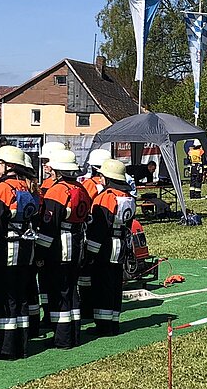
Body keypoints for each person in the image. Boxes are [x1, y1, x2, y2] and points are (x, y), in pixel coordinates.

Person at [0, 145, 40, 359]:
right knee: (21, 297)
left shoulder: (1, 189)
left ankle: (7, 348)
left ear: (9, 166)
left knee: (4, 298)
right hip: (26, 248)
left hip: (6, 249)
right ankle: (22, 345)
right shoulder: (29, 187)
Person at [36, 149, 90, 349]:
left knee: (59, 291)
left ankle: (62, 338)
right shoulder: (81, 188)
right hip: (77, 242)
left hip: (61, 245)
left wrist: (40, 253)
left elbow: (49, 226)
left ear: (58, 170)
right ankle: (74, 334)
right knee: (72, 289)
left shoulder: (57, 191)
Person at [85, 158, 136, 336]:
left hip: (106, 247)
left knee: (102, 286)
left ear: (108, 178)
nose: (100, 179)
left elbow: (98, 228)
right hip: (121, 245)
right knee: (115, 285)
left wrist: (90, 253)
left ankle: (103, 326)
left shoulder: (106, 197)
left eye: (102, 176)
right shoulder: (129, 197)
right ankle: (114, 323)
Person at [78, 148, 110, 322]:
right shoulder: (113, 184)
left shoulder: (89, 184)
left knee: (86, 272)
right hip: (106, 233)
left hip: (89, 231)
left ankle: (87, 307)